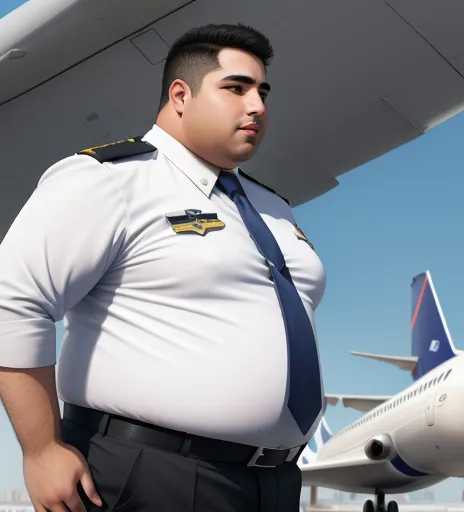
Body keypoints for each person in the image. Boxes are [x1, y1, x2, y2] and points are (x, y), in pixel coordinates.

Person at [0, 23, 327, 512]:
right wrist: (41, 449)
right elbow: (14, 297)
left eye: (262, 91)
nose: (256, 105)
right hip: (154, 476)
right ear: (180, 95)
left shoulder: (272, 209)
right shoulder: (111, 179)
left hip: (274, 482)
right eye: (236, 88)